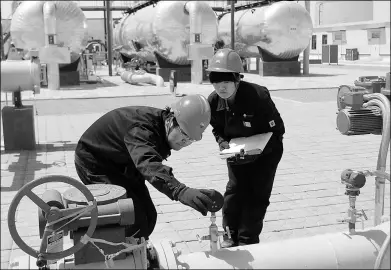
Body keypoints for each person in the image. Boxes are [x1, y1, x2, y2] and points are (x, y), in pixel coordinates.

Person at [74, 94, 220, 239]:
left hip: (122, 160)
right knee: (131, 216)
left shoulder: (161, 127)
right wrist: (180, 191)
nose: (185, 141)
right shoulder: (142, 130)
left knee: (149, 216)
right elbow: (148, 165)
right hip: (95, 161)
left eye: (190, 139)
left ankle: (137, 251)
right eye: (183, 134)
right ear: (171, 120)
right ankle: (114, 254)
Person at [206, 48, 285, 247]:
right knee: (234, 191)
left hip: (266, 153)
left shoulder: (258, 96)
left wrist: (257, 153)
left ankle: (248, 239)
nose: (221, 87)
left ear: (237, 80)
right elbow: (217, 128)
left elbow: (278, 131)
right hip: (236, 151)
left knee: (256, 195)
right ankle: (229, 235)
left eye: (226, 82)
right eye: (216, 81)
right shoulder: (213, 101)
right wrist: (222, 143)